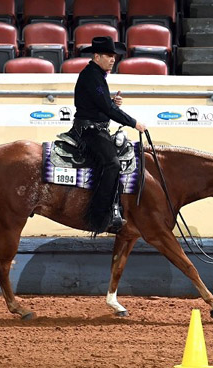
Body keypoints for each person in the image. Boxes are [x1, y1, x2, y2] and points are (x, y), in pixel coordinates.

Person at [72, 36, 147, 235]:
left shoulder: (96, 75)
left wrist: (112, 102)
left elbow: (100, 103)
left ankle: (114, 209)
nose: (113, 59)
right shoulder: (92, 76)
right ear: (96, 56)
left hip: (96, 128)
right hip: (88, 131)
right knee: (112, 163)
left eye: (114, 56)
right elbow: (105, 108)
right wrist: (134, 123)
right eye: (108, 55)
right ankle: (99, 217)